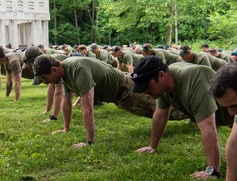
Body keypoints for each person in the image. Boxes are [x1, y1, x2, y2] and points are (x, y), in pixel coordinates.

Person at [131, 56, 234, 179]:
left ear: (162, 75)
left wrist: (212, 171)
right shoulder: (163, 85)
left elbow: (209, 129)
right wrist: (152, 146)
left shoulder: (194, 78)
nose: (145, 92)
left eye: (147, 87)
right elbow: (160, 116)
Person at [33, 55, 162, 147]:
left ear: (53, 70)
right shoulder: (65, 74)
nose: (46, 82)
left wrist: (89, 142)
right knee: (154, 112)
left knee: (164, 110)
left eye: (45, 78)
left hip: (127, 89)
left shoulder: (78, 69)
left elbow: (88, 108)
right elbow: (67, 102)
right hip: (119, 97)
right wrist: (66, 128)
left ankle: (182, 110)